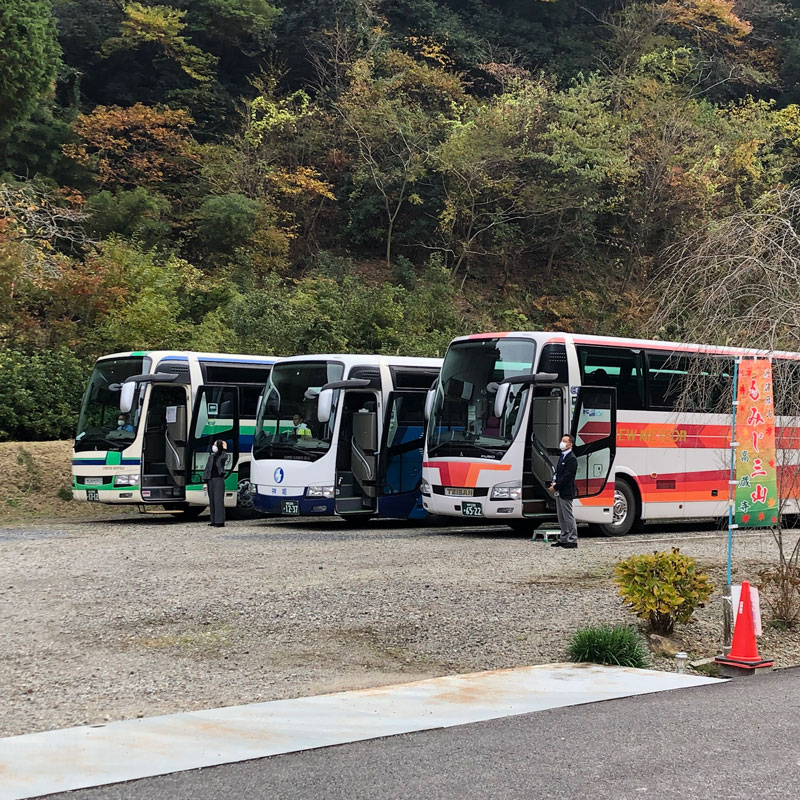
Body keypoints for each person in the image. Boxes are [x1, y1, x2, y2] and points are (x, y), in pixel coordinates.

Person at [549, 433, 579, 549]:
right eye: (562, 440)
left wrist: (556, 487)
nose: (562, 443)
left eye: (565, 441)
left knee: (568, 516)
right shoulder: (562, 456)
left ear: (570, 444)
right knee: (561, 516)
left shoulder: (571, 458)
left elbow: (567, 477)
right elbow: (559, 473)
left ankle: (572, 539)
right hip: (560, 490)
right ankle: (564, 538)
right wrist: (554, 482)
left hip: (566, 491)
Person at [203, 439, 228, 528]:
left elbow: (223, 459)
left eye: (215, 445)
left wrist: (224, 449)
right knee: (212, 500)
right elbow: (207, 469)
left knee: (218, 500)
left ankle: (220, 521)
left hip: (218, 479)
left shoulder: (222, 455)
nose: (214, 447)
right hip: (210, 479)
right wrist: (205, 481)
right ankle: (213, 520)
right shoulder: (211, 457)